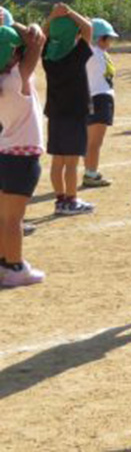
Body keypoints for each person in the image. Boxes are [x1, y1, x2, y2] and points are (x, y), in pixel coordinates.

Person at [0, 23, 47, 287]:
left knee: (3, 217)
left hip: (5, 153)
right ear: (14, 53)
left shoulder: (4, 80)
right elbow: (37, 43)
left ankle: (4, 263)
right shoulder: (17, 77)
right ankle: (16, 267)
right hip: (22, 157)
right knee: (13, 219)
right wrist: (21, 26)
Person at [41, 5, 94, 216]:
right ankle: (71, 201)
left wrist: (52, 17)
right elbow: (88, 28)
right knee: (72, 162)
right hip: (75, 114)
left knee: (58, 160)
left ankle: (60, 200)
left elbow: (41, 35)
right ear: (74, 34)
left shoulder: (47, 56)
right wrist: (70, 12)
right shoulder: (76, 54)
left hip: (55, 113)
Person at [82, 18, 118, 189]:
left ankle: (90, 171)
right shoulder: (92, 51)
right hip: (99, 99)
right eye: (108, 38)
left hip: (97, 98)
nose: (110, 42)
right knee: (94, 142)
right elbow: (85, 37)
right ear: (99, 38)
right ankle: (91, 174)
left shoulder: (99, 53)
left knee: (91, 142)